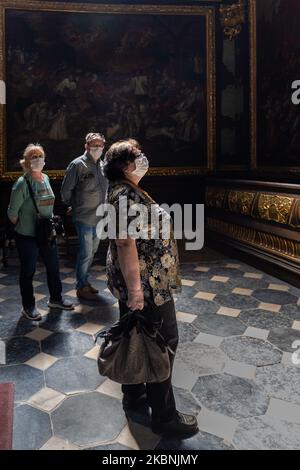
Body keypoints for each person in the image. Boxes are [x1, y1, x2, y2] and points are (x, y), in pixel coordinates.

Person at [103, 140, 198, 436]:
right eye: (137, 156)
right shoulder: (124, 195)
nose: (143, 159)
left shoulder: (128, 190)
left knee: (135, 333)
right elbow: (123, 242)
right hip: (146, 285)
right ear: (124, 165)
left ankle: (134, 395)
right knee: (163, 342)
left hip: (141, 282)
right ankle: (164, 417)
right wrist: (135, 291)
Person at [7, 143, 74, 321]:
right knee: (28, 271)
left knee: (53, 267)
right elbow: (12, 213)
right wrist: (26, 225)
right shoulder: (22, 183)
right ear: (27, 162)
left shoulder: (45, 178)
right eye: (33, 156)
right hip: (27, 236)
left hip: (46, 233)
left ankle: (56, 299)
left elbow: (49, 205)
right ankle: (28, 307)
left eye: (40, 155)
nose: (37, 159)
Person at [61, 132, 108, 300]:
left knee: (93, 251)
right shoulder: (77, 165)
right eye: (93, 145)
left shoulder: (103, 166)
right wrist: (71, 206)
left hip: (100, 217)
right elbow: (66, 190)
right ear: (86, 146)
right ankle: (81, 286)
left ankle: (85, 282)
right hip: (83, 216)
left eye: (100, 145)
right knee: (86, 252)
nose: (97, 148)